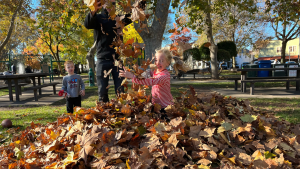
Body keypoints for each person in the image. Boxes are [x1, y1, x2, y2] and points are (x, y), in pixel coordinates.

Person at [84, 1, 137, 102]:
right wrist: (94, 10)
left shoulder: (119, 18)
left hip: (117, 60)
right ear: (102, 4)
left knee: (120, 91)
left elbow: (135, 13)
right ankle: (104, 114)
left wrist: (140, 2)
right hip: (102, 60)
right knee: (102, 92)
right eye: (107, 3)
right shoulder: (98, 18)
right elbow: (87, 24)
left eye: (112, 3)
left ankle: (121, 113)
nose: (109, 6)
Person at [119, 48, 173, 120]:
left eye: (161, 61)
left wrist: (133, 77)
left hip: (165, 106)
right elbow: (145, 74)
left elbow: (150, 81)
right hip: (156, 105)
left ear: (168, 63)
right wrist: (136, 73)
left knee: (164, 121)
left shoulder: (164, 75)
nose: (158, 63)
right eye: (156, 60)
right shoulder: (154, 71)